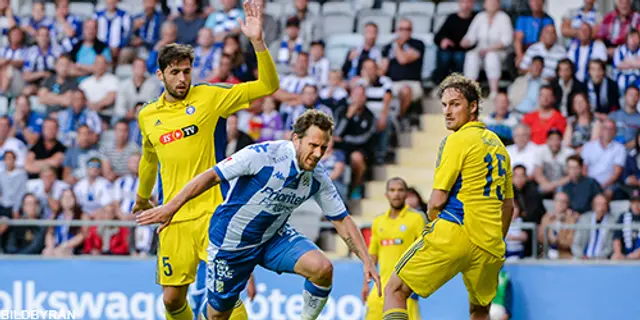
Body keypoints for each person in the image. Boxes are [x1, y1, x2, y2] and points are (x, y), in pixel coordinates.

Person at [137, 109, 380, 320]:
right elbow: (211, 175)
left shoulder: (317, 177)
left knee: (322, 268)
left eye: (323, 148)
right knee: (217, 315)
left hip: (273, 237)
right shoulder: (263, 155)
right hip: (230, 244)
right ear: (296, 139)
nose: (317, 154)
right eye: (313, 146)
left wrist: (367, 260)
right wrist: (171, 207)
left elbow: (341, 219)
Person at [132, 2, 279, 320]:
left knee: (225, 297)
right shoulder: (147, 115)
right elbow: (148, 159)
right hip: (173, 218)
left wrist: (257, 42)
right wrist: (142, 197)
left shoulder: (210, 97)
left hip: (213, 214)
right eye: (175, 72)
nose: (183, 78)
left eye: (187, 71)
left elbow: (269, 86)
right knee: (171, 301)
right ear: (160, 75)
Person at [382, 74, 514, 320]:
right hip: (491, 244)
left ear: (473, 106)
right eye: (444, 105)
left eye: (455, 104)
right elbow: (508, 207)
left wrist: (435, 226)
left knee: (395, 290)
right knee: (480, 310)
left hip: (455, 230)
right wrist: (496, 240)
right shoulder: (499, 147)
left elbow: (437, 200)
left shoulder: (457, 140)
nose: (447, 112)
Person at [363, 177, 425, 320]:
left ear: (406, 194)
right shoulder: (378, 221)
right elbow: (373, 255)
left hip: (404, 288)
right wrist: (365, 284)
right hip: (379, 289)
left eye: (400, 190)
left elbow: (423, 251)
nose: (396, 194)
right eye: (392, 190)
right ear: (386, 195)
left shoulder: (417, 219)